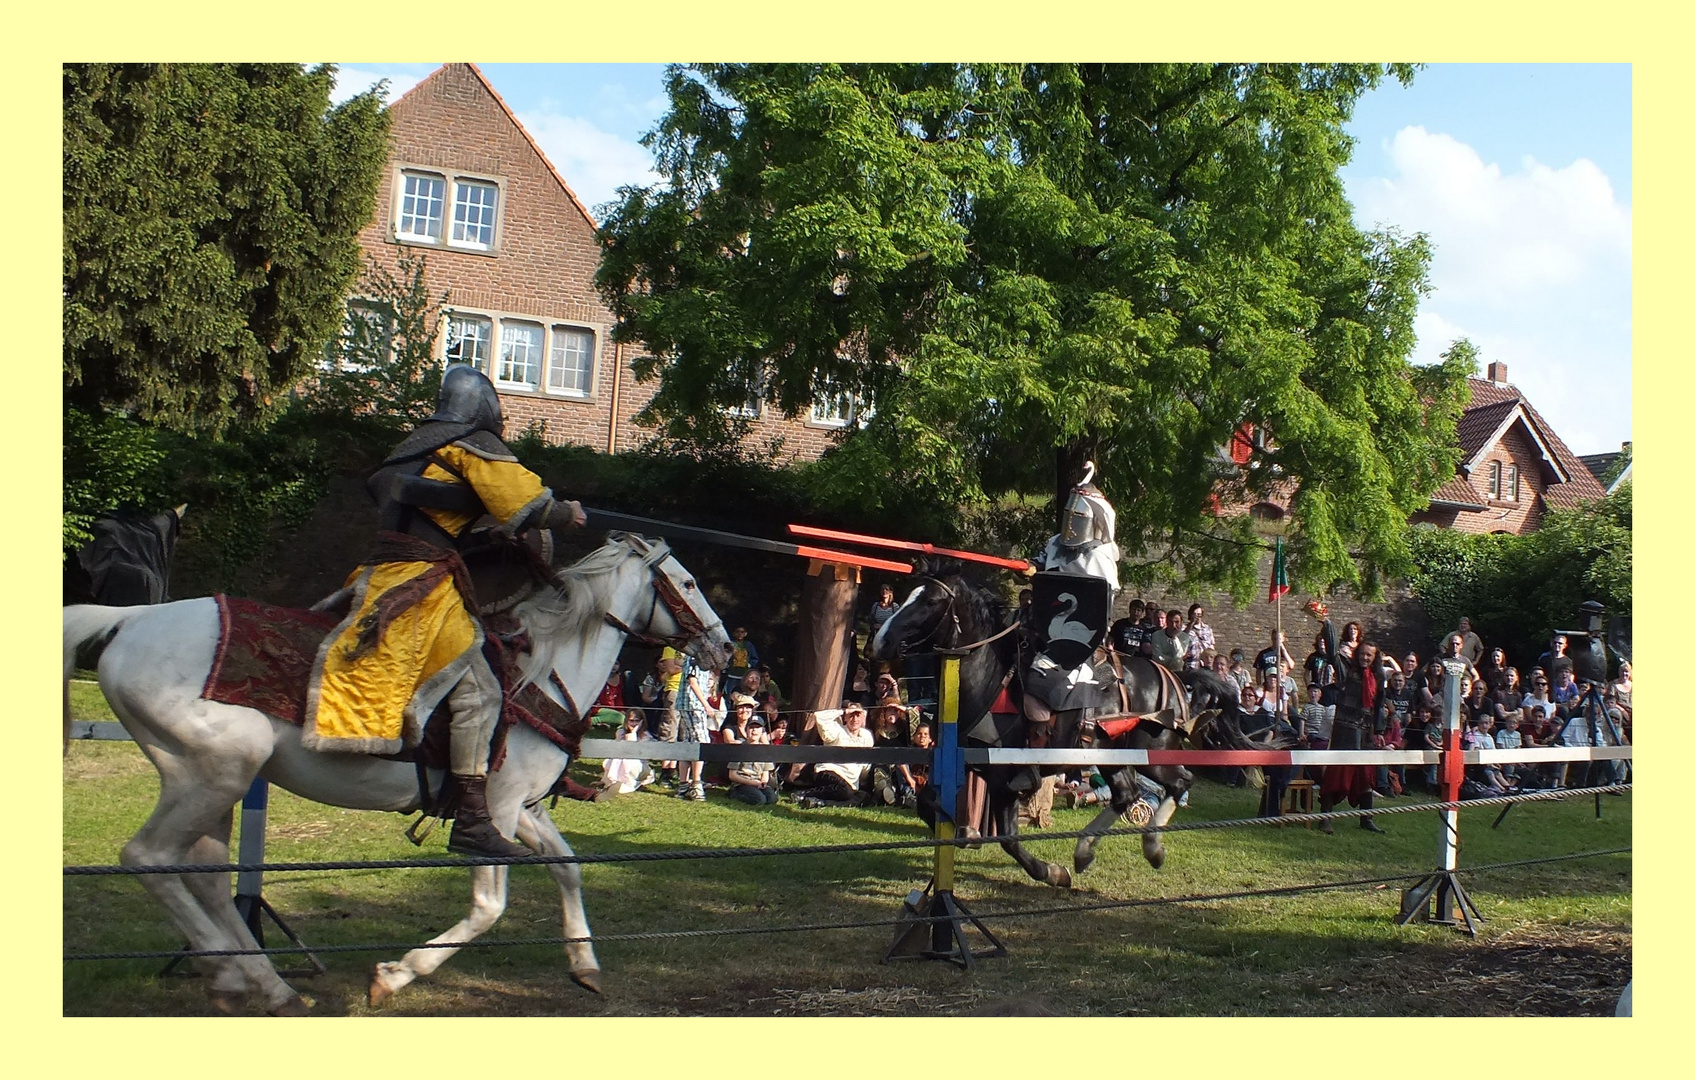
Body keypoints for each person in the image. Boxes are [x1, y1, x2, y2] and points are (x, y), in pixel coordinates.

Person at [308, 364, 586, 858]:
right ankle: (474, 819)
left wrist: (485, 525)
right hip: (423, 586)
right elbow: (528, 505)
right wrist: (568, 514)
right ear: (486, 409)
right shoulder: (471, 444)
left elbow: (438, 517)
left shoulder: (412, 452)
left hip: (377, 577)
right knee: (480, 694)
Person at [1317, 625, 1386, 835]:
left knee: (1365, 775)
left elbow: (1379, 706)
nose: (1365, 658)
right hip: (1345, 729)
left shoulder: (1378, 677)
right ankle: (1325, 817)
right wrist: (1328, 625)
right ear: (1357, 654)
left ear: (1375, 658)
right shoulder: (1346, 669)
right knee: (1338, 772)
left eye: (1369, 655)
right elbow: (1331, 653)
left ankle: (1367, 819)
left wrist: (1379, 731)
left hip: (1365, 730)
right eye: (1363, 654)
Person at [797, 701, 876, 807]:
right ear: (846, 718)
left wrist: (863, 781)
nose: (855, 719)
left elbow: (865, 764)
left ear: (863, 717)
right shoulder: (837, 730)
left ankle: (820, 803)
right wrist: (843, 711)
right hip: (829, 772)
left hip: (850, 783)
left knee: (863, 796)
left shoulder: (867, 736)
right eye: (851, 715)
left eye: (858, 715)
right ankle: (803, 794)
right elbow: (819, 716)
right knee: (845, 791)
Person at [598, 708, 656, 797]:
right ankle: (612, 781)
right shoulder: (620, 732)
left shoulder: (646, 737)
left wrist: (633, 733)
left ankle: (627, 783)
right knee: (616, 758)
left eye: (637, 721)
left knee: (627, 760)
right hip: (621, 761)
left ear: (642, 721)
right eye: (631, 721)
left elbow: (634, 753)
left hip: (640, 766)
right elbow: (618, 749)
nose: (634, 723)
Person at [726, 718, 780, 805]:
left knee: (772, 799)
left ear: (762, 731)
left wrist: (763, 783)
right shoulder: (739, 748)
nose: (754, 730)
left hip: (758, 783)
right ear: (746, 730)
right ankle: (734, 794)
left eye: (757, 727)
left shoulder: (765, 750)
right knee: (759, 800)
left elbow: (765, 773)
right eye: (751, 727)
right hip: (742, 783)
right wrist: (752, 783)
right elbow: (732, 775)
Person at [725, 626, 761, 691]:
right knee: (729, 693)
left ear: (745, 634)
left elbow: (755, 658)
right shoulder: (731, 644)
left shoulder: (748, 645)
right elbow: (725, 656)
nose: (740, 634)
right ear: (734, 633)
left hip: (745, 675)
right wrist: (727, 665)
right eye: (737, 632)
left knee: (743, 693)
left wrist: (749, 664)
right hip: (731, 675)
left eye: (742, 632)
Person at [1184, 604, 1215, 670]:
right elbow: (1182, 638)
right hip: (1191, 664)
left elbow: (1211, 646)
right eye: (1194, 614)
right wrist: (1191, 623)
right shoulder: (1184, 628)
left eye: (1199, 614)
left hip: (1205, 664)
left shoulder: (1207, 629)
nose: (1197, 617)